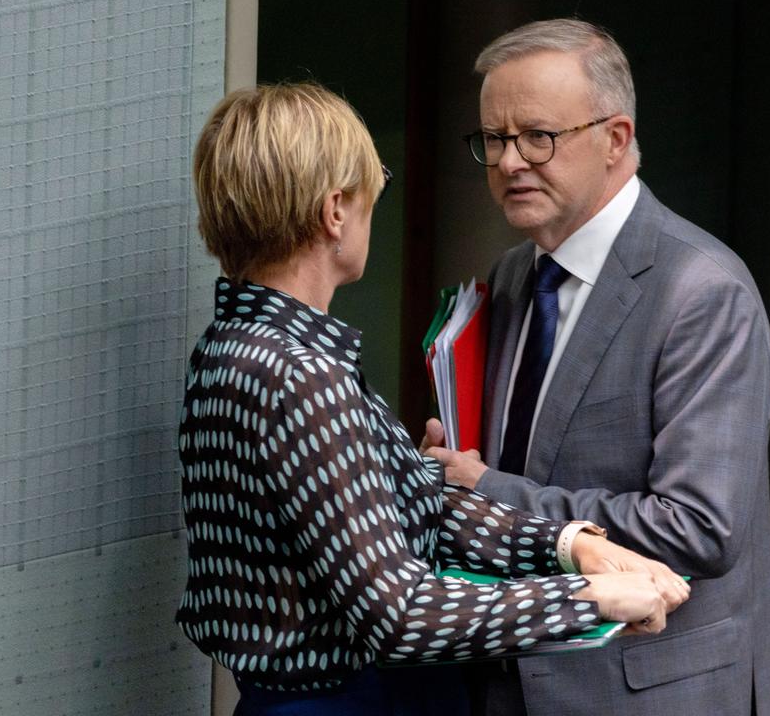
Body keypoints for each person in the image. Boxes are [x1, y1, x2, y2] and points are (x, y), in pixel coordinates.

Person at [174, 82, 689, 715]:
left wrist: (570, 544)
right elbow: (400, 614)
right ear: (334, 211)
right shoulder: (299, 374)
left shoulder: (235, 346)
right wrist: (587, 598)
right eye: (372, 184)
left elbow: (414, 505)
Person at [427, 19, 770, 715]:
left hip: (654, 695)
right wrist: (449, 468)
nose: (508, 163)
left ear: (615, 139)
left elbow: (698, 527)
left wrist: (485, 489)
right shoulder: (510, 277)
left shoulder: (703, 291)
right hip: (509, 684)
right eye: (495, 140)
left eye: (538, 136)